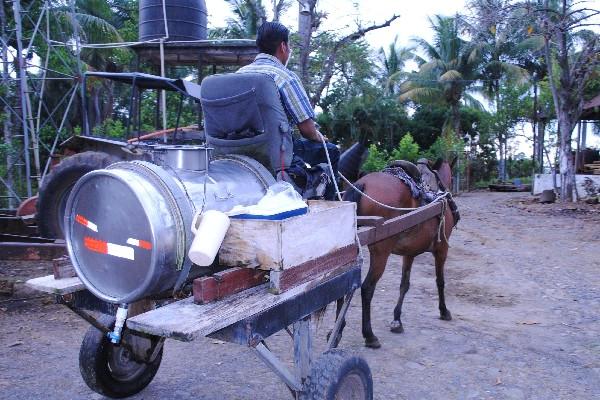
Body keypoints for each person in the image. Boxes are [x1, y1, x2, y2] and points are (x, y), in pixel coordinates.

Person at [237, 21, 340, 199]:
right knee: (331, 151)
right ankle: (331, 207)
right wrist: (318, 137)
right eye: (289, 46)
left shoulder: (238, 74)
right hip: (275, 151)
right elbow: (307, 131)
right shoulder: (285, 76)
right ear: (283, 46)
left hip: (238, 148)